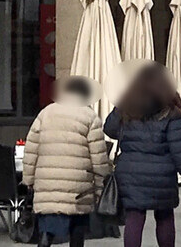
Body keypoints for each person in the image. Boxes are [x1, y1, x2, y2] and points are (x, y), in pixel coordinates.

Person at [105, 64, 181, 247]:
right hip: (162, 174)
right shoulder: (171, 112)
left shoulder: (127, 105)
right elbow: (179, 149)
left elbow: (110, 129)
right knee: (164, 215)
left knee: (134, 217)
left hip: (130, 172)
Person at [24, 76, 111, 247]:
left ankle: (45, 240)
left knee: (48, 223)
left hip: (47, 182)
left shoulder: (46, 113)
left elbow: (31, 149)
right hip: (78, 187)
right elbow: (99, 158)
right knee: (77, 227)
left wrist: (29, 179)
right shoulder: (90, 117)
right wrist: (101, 186)